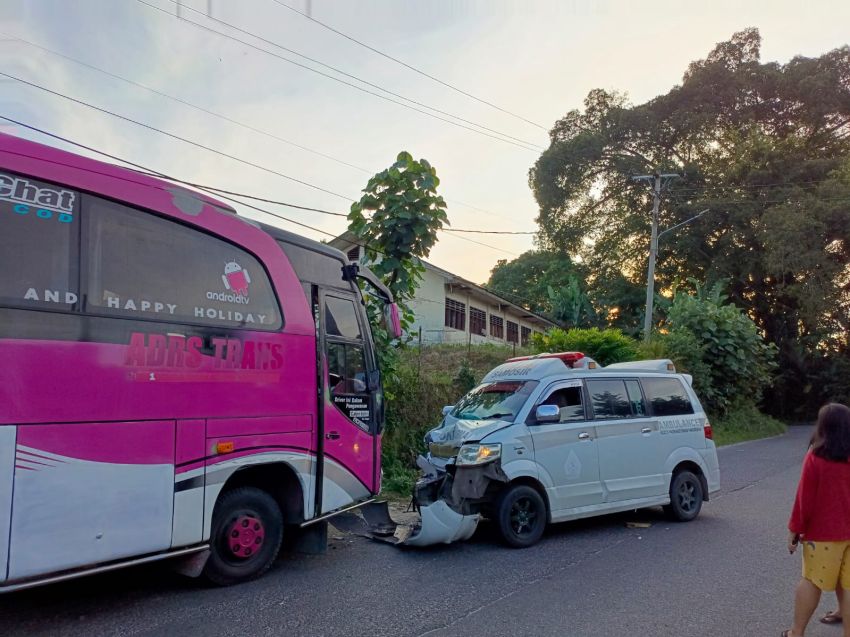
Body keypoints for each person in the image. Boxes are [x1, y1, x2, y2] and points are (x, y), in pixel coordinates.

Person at [783, 403, 850, 637]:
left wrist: (795, 529)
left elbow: (805, 497)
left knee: (811, 580)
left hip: (824, 534)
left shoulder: (817, 456)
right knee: (849, 582)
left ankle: (796, 632)